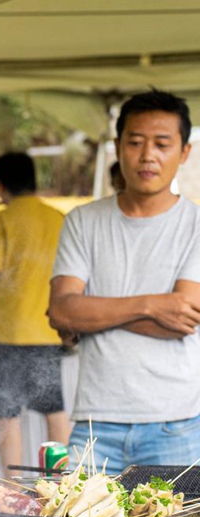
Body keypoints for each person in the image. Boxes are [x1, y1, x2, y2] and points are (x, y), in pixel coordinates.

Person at [49, 89, 200, 474]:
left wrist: (91, 313)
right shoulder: (82, 222)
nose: (148, 155)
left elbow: (182, 321)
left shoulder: (196, 225)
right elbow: (62, 309)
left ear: (184, 152)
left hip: (176, 424)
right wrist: (152, 304)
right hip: (95, 424)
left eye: (162, 144)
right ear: (117, 147)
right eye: (135, 142)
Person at [0, 152, 71, 474]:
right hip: (48, 330)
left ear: (1, 185)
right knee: (54, 412)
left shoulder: (1, 219)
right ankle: (60, 485)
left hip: (8, 334)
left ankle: (14, 489)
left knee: (7, 415)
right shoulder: (58, 219)